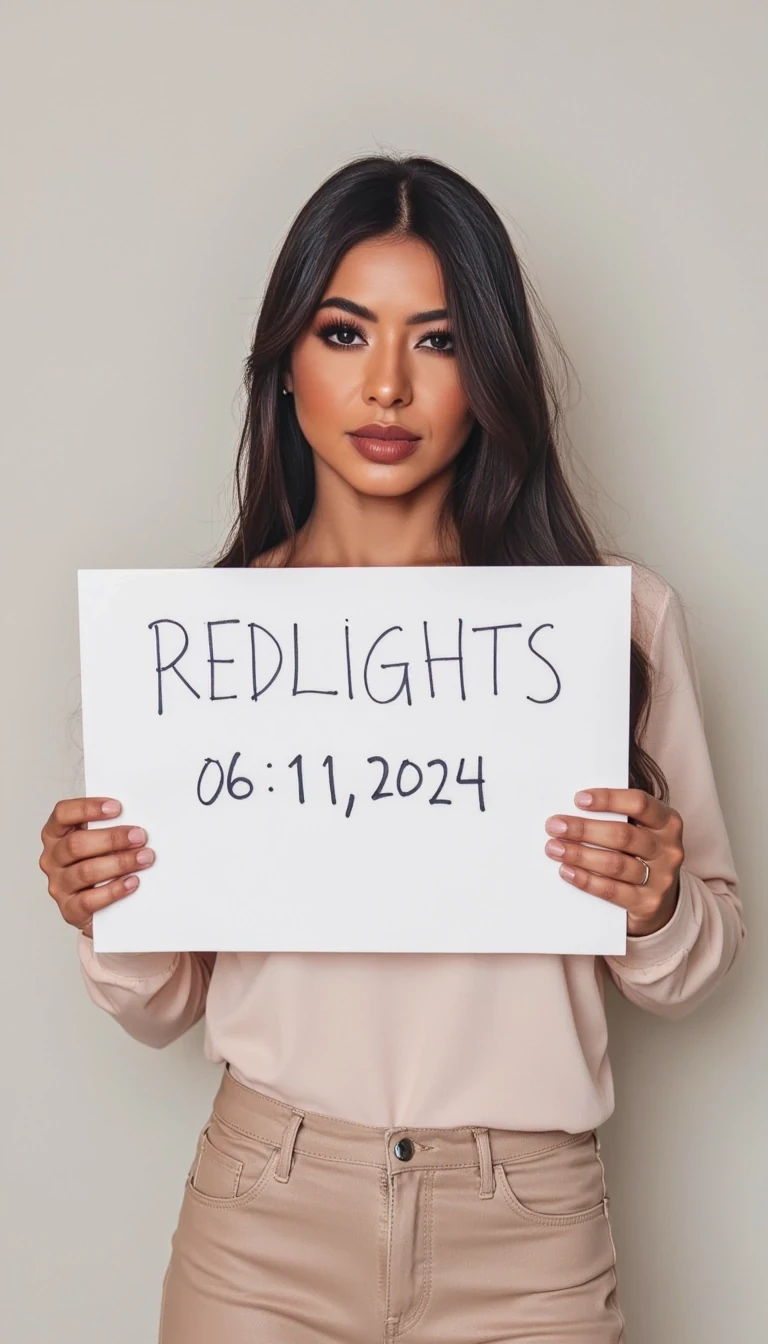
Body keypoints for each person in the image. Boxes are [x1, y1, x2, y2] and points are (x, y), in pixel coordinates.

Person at [39, 154, 745, 1343]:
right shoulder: (198, 646)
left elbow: (700, 962)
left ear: (491, 374)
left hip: (527, 1230)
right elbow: (159, 1005)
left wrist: (658, 903)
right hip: (264, 1214)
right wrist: (105, 905)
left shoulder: (611, 623)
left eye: (438, 340)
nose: (385, 388)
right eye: (344, 331)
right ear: (284, 369)